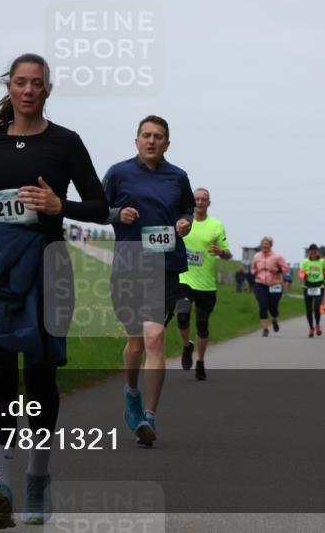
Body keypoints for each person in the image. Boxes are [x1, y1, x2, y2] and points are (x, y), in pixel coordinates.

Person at [0, 54, 108, 528]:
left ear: (47, 90)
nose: (29, 90)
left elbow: (100, 206)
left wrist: (62, 205)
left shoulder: (65, 142)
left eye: (37, 83)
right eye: (20, 82)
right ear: (10, 87)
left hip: (47, 264)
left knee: (39, 380)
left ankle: (37, 478)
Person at [103, 115, 195, 446]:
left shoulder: (178, 177)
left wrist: (185, 223)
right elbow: (96, 209)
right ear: (137, 140)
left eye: (158, 136)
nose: (151, 141)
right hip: (128, 266)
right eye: (146, 135)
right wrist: (117, 214)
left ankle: (150, 417)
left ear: (167, 143)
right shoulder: (118, 173)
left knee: (155, 339)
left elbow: (187, 210)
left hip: (164, 266)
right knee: (136, 343)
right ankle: (131, 394)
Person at [177, 188, 232, 380]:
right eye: (197, 199)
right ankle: (186, 346)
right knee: (182, 316)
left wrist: (220, 252)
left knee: (202, 324)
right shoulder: (183, 222)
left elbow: (228, 254)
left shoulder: (216, 226)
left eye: (204, 199)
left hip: (207, 284)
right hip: (184, 278)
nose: (200, 202)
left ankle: (200, 362)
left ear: (209, 203)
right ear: (192, 202)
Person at [251, 237, 290, 337]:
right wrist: (254, 272)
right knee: (263, 306)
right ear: (261, 245)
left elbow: (286, 269)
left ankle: (274, 319)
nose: (265, 246)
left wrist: (276, 270)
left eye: (267, 244)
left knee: (273, 307)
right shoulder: (256, 256)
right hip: (260, 283)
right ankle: (265, 329)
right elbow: (253, 268)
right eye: (263, 244)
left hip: (275, 284)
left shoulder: (277, 256)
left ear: (270, 245)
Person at [300, 244, 325, 337]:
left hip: (319, 286)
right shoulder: (305, 262)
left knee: (316, 307)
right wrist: (304, 276)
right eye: (311, 252)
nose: (313, 254)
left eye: (315, 252)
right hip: (308, 286)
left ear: (317, 252)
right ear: (309, 252)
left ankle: (318, 325)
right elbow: (301, 272)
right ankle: (311, 328)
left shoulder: (322, 261)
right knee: (308, 309)